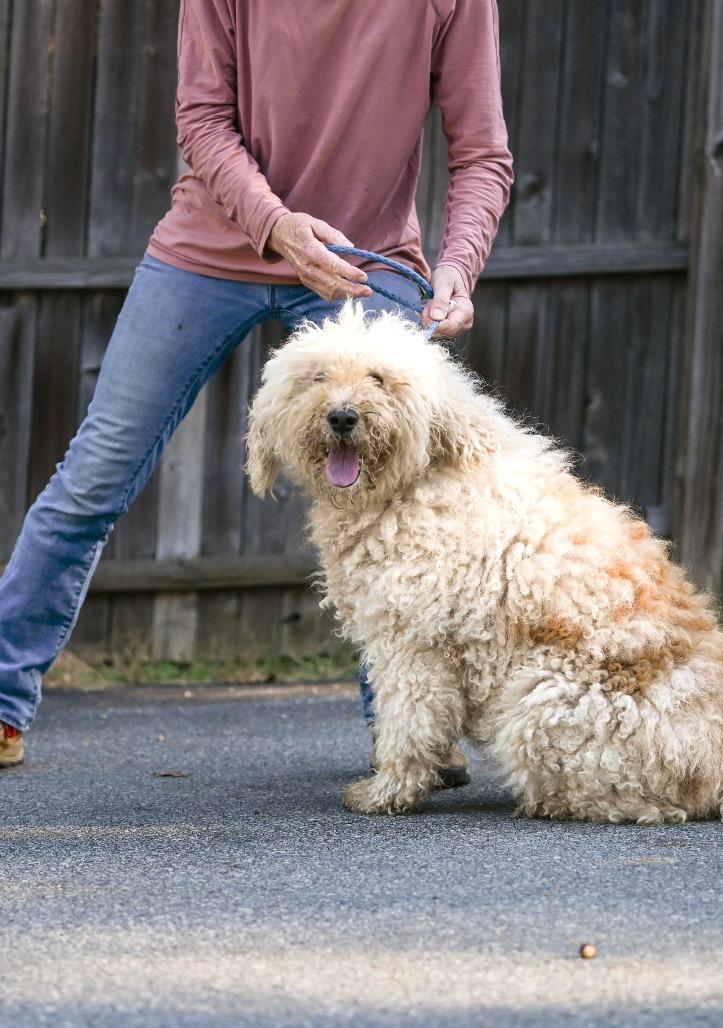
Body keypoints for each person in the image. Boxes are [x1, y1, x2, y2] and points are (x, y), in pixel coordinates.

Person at [0, 0, 513, 774]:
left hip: (365, 259)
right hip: (211, 248)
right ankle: (1, 703)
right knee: (94, 474)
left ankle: (410, 733)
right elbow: (204, 119)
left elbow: (482, 154)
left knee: (411, 502)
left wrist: (457, 268)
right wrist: (278, 227)